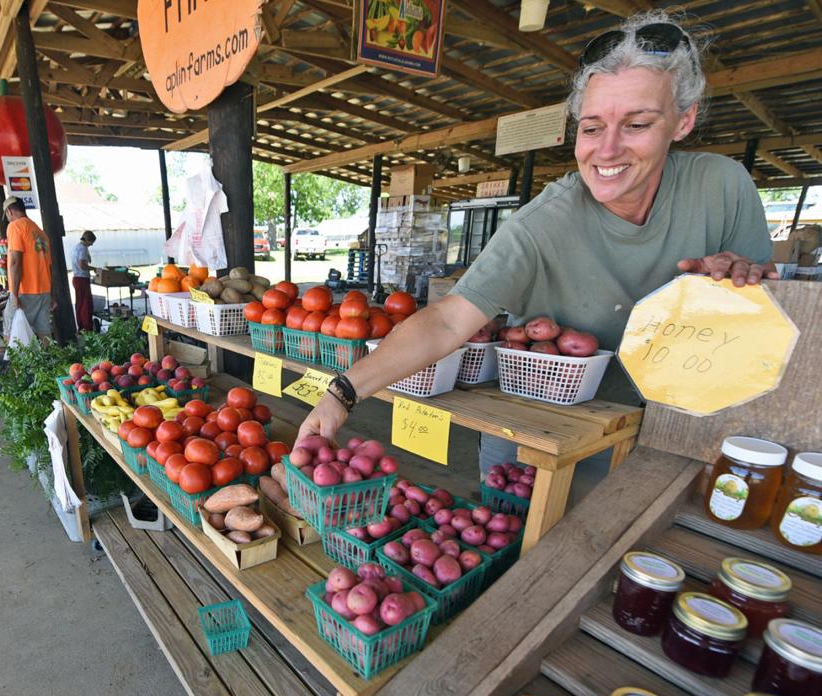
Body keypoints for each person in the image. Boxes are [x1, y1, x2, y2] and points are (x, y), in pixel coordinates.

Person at [298, 10, 776, 499]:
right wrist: (342, 394)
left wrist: (744, 287)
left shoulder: (722, 188)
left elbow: (765, 331)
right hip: (542, 440)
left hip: (674, 442)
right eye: (591, 129)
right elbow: (445, 322)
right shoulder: (544, 221)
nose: (607, 150)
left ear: (684, 120)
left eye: (636, 124)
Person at [3, 197, 53, 340]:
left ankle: (17, 363)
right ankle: (51, 361)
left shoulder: (15, 226)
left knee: (12, 335)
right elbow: (48, 266)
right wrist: (52, 295)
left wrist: (14, 294)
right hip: (44, 292)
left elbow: (15, 262)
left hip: (26, 291)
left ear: (9, 211)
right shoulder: (40, 232)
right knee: (45, 335)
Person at [71, 230, 97, 331]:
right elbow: (83, 265)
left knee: (80, 303)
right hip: (82, 278)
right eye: (91, 242)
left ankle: (81, 326)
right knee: (86, 304)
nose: (91, 245)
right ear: (87, 240)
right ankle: (87, 327)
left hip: (76, 277)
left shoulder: (75, 247)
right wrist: (94, 269)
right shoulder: (83, 249)